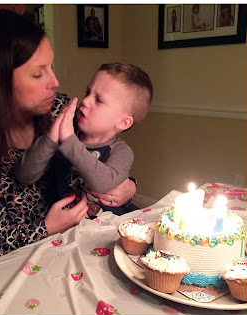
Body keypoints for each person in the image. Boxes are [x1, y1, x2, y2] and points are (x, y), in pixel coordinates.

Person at [0, 11, 136, 265]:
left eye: (50, 68)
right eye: (37, 73)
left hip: (64, 252)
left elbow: (101, 157)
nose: (54, 81)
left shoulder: (62, 111)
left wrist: (127, 186)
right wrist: (44, 229)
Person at [16, 63, 152, 217]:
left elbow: (103, 183)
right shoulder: (64, 134)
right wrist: (50, 138)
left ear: (123, 122)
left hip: (103, 227)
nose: (86, 101)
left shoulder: (121, 151)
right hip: (59, 224)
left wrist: (69, 141)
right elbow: (24, 175)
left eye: (98, 100)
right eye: (88, 92)